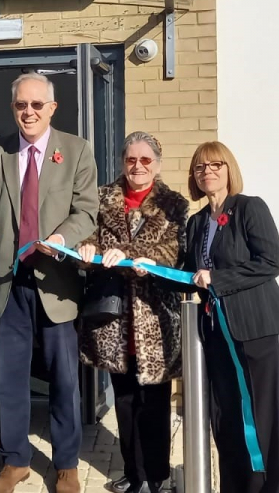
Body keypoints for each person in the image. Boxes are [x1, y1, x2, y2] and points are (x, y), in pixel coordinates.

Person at [0, 73, 99, 493]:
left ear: (52, 108)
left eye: (37, 105)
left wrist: (61, 239)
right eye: (21, 105)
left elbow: (86, 211)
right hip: (11, 281)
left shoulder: (76, 150)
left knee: (63, 379)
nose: (28, 112)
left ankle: (66, 463)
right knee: (9, 380)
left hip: (57, 280)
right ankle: (15, 461)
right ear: (13, 108)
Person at [77, 132, 187, 493]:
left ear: (157, 164)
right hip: (114, 317)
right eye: (131, 160)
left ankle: (157, 476)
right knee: (124, 402)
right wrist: (88, 248)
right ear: (122, 161)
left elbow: (173, 253)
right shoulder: (102, 198)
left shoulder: (174, 204)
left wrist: (143, 259)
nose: (137, 167)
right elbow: (88, 240)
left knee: (154, 403)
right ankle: (132, 473)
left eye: (145, 160)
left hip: (155, 318)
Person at [184, 141, 279, 493]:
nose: (208, 172)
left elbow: (271, 262)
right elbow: (189, 275)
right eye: (200, 167)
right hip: (217, 334)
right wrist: (146, 272)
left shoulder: (249, 208)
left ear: (230, 169)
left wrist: (219, 278)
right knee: (227, 418)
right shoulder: (196, 221)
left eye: (216, 165)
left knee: (264, 420)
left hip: (259, 329)